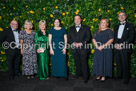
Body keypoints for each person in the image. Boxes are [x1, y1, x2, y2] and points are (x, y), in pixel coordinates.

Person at [68, 15, 91, 83]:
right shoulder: (71, 28)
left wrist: (82, 43)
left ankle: (85, 77)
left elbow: (88, 37)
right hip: (74, 48)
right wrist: (73, 43)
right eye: (75, 19)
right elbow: (69, 38)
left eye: (78, 19)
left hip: (83, 48)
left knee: (84, 63)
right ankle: (78, 74)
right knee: (77, 62)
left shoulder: (86, 27)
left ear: (81, 19)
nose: (77, 20)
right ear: (74, 20)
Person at [114, 12, 135, 84]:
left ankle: (126, 78)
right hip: (117, 46)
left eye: (122, 15)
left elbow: (131, 38)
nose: (121, 17)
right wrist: (116, 44)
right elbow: (114, 37)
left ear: (125, 17)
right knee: (118, 62)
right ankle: (119, 75)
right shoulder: (116, 26)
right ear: (118, 18)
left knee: (125, 63)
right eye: (119, 16)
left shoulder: (130, 25)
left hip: (126, 46)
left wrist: (122, 44)